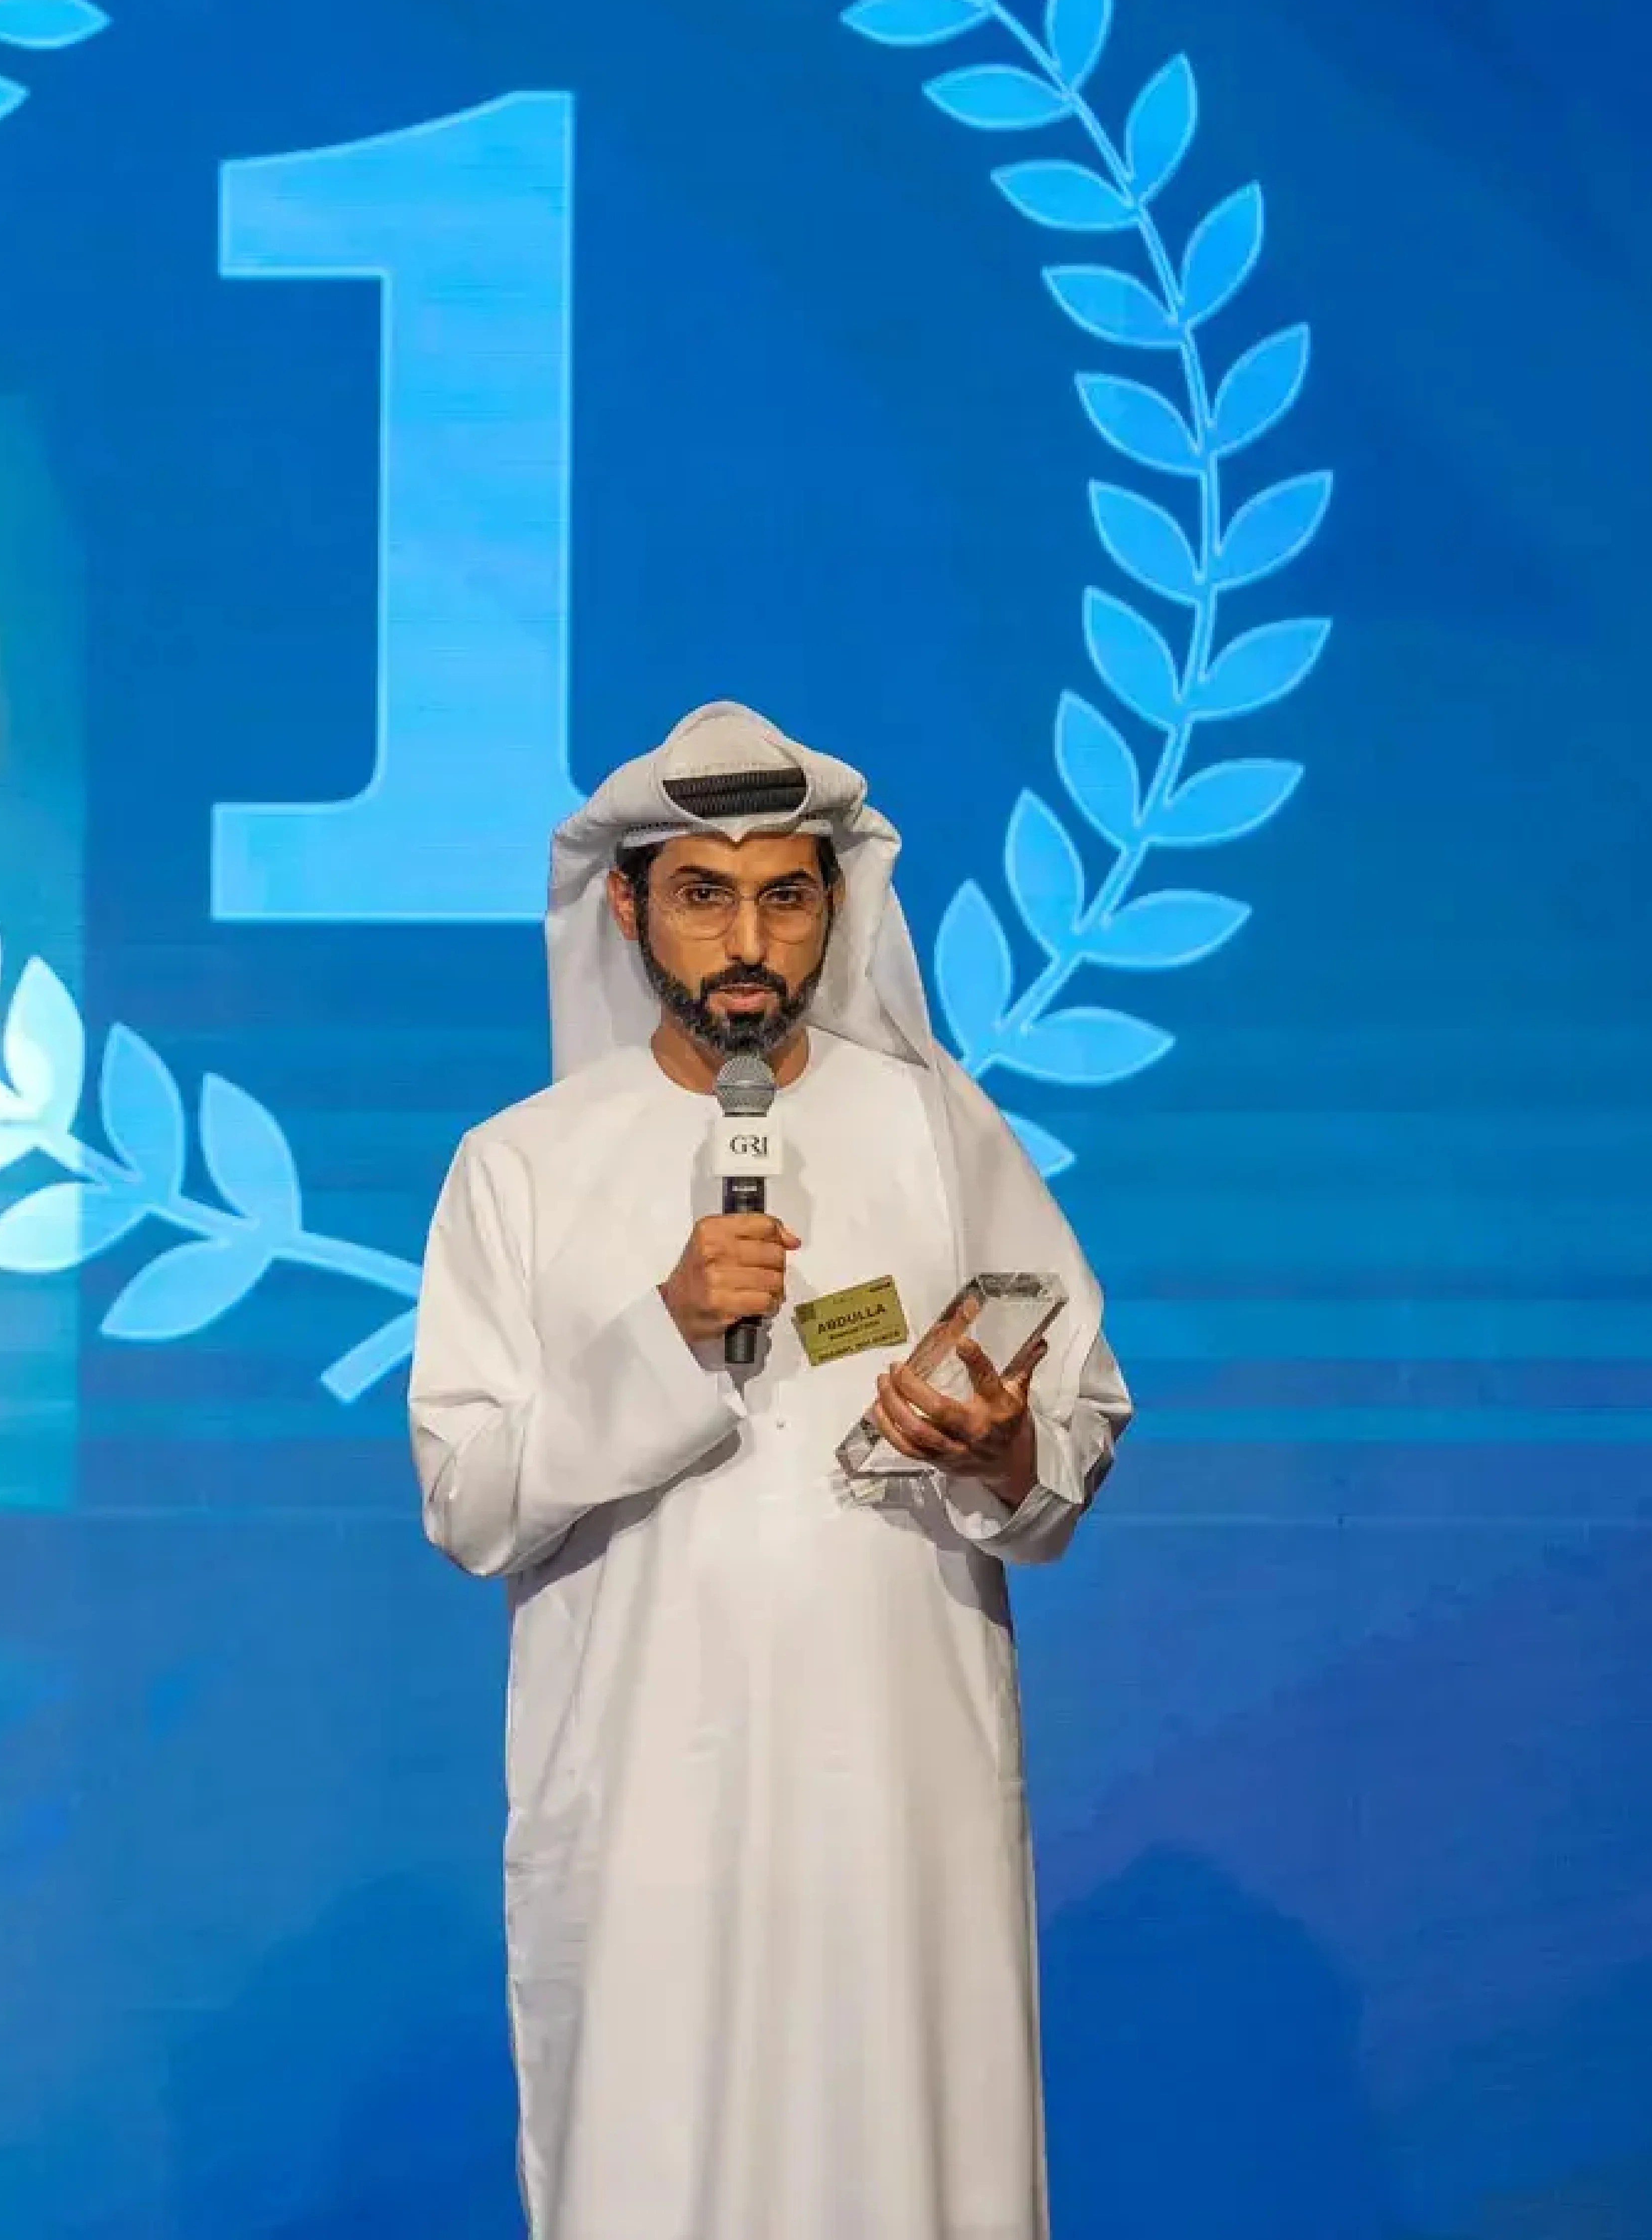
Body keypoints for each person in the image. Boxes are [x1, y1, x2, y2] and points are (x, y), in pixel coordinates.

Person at [406, 702, 1134, 2240]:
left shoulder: (937, 1129)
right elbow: (468, 1497)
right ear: (628, 907)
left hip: (902, 1795)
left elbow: (1077, 1417)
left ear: (833, 907)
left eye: (785, 895)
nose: (748, 941)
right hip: (648, 1808)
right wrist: (664, 1337)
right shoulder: (519, 1164)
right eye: (703, 893)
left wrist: (1005, 1448)